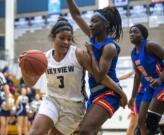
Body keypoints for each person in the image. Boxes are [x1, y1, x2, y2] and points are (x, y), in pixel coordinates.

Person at [19, 17, 127, 135]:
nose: (66, 42)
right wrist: (23, 68)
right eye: (62, 38)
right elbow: (30, 83)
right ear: (53, 37)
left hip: (73, 107)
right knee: (35, 133)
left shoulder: (79, 54)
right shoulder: (44, 59)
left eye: (69, 39)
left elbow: (99, 76)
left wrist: (120, 92)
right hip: (52, 101)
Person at [66, 1, 127, 134]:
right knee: (85, 131)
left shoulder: (109, 47)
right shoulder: (93, 38)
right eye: (90, 21)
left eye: (95, 21)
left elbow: (99, 76)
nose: (90, 25)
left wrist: (91, 52)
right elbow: (76, 16)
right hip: (95, 93)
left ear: (106, 24)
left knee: (85, 130)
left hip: (109, 92)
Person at [129, 24, 164, 135]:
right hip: (149, 87)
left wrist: (159, 79)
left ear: (143, 35)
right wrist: (133, 96)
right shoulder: (133, 53)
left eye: (135, 32)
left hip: (161, 83)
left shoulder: (150, 46)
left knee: (151, 122)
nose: (131, 34)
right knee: (141, 123)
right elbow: (138, 75)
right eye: (130, 32)